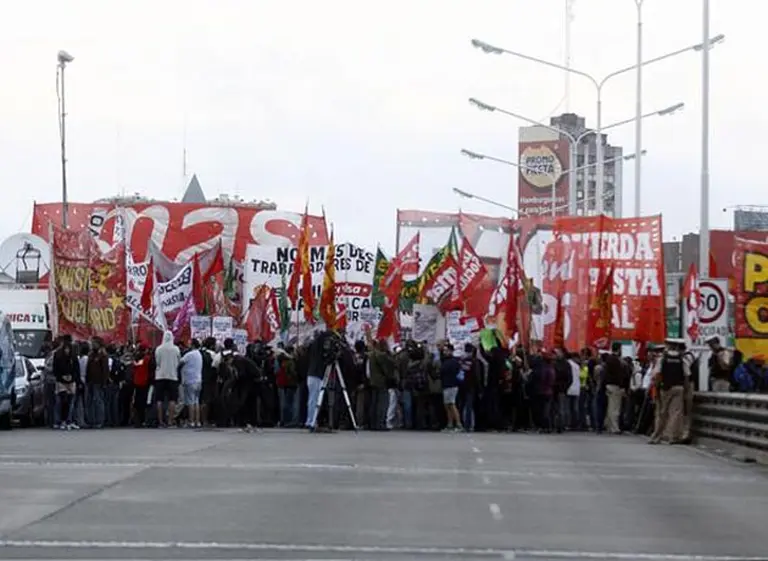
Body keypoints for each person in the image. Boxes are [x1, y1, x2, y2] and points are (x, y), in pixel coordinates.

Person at [649, 338, 690, 445]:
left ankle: (657, 436)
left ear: (667, 346)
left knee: (662, 413)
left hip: (665, 388)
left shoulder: (662, 359)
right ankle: (673, 437)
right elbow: (686, 376)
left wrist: (657, 388)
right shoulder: (682, 359)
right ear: (676, 346)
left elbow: (657, 375)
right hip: (679, 388)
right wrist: (686, 390)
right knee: (676, 413)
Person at [154, 330, 181, 428]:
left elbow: (157, 362)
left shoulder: (158, 349)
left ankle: (160, 421)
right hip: (172, 376)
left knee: (159, 400)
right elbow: (179, 362)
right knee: (172, 399)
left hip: (160, 376)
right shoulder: (176, 349)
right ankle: (170, 421)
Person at [52, 336, 79, 430]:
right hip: (61, 382)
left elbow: (76, 369)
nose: (67, 350)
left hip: (71, 381)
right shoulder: (58, 355)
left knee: (71, 402)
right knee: (63, 401)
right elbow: (55, 369)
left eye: (68, 349)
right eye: (66, 349)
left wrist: (73, 378)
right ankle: (62, 420)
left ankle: (69, 420)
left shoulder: (74, 357)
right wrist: (62, 377)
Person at [86, 338, 110, 429]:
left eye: (94, 343)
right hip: (91, 381)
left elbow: (105, 370)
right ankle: (92, 420)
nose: (92, 345)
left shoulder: (102, 355)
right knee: (91, 401)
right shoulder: (91, 354)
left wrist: (104, 382)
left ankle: (100, 420)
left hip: (98, 381)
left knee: (98, 401)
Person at [179, 339, 204, 428]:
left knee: (190, 402)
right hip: (198, 380)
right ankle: (198, 421)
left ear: (193, 345)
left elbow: (180, 362)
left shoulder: (189, 355)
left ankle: (191, 421)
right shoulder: (199, 354)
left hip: (190, 380)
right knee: (196, 401)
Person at [439, 343, 462, 432]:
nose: (444, 352)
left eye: (446, 350)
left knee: (452, 404)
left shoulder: (453, 361)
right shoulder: (446, 361)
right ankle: (450, 424)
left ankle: (459, 424)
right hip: (446, 385)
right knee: (447, 405)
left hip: (451, 385)